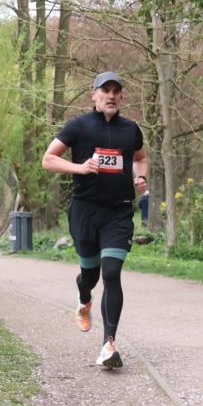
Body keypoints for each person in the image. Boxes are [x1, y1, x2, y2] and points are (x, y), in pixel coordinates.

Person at [42, 71, 147, 369]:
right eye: (105, 90)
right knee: (91, 274)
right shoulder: (79, 126)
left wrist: (140, 176)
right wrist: (80, 167)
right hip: (85, 211)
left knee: (111, 273)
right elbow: (48, 159)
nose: (111, 95)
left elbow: (140, 157)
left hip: (118, 212)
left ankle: (108, 344)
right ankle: (84, 296)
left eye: (116, 91)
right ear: (94, 95)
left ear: (122, 97)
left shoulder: (131, 130)